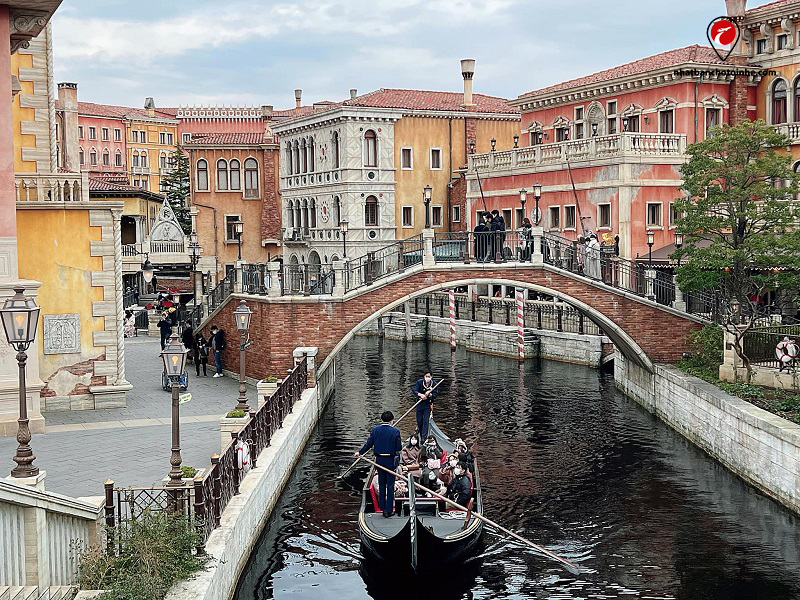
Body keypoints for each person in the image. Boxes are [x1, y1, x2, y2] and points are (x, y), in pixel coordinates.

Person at [354, 410, 402, 518]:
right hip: (390, 461)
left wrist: (359, 453)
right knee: (390, 485)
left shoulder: (375, 430)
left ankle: (382, 507)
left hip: (379, 460)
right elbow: (399, 448)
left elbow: (369, 444)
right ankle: (388, 510)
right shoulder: (395, 432)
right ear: (392, 421)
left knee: (382, 483)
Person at [412, 372, 439, 440]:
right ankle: (420, 434)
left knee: (425, 421)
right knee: (419, 421)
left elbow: (435, 394)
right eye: (426, 376)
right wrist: (420, 395)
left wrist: (430, 395)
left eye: (429, 376)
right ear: (424, 376)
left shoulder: (434, 384)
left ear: (431, 377)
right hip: (419, 404)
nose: (427, 378)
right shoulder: (419, 382)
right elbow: (414, 390)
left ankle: (424, 438)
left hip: (427, 404)